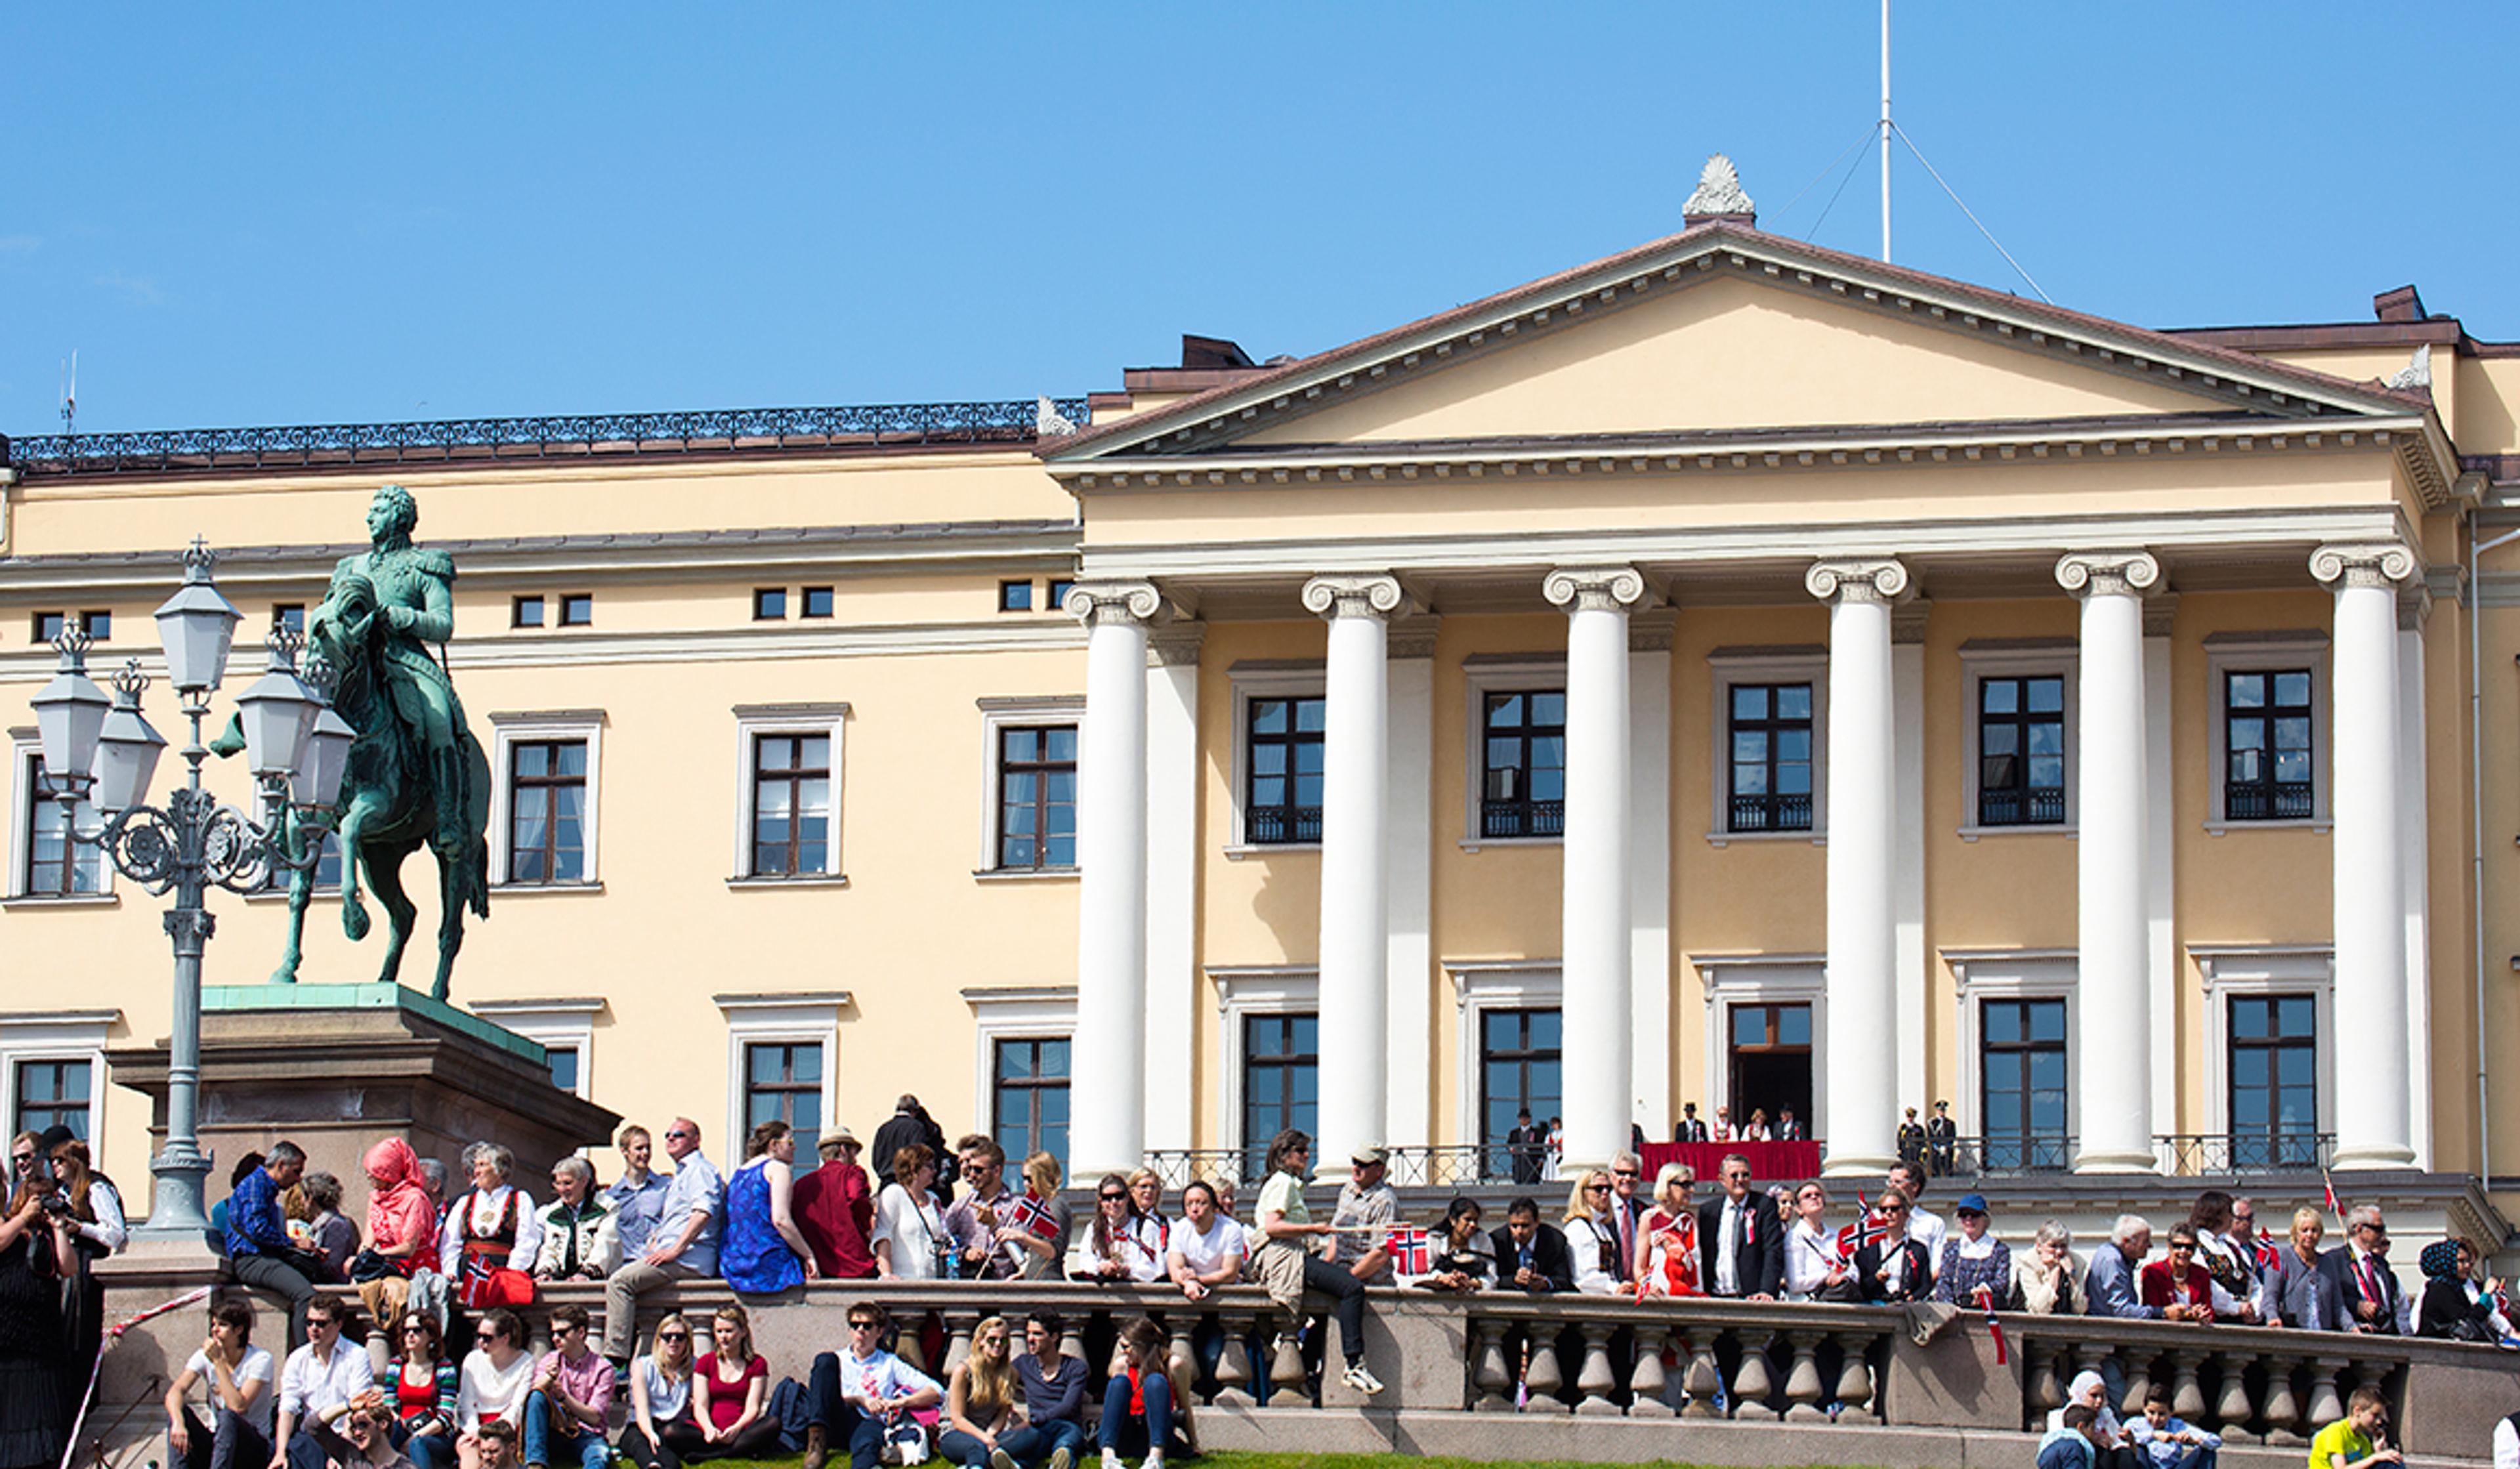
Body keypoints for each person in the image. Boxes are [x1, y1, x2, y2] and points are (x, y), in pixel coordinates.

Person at [1251, 1128, 1381, 1394]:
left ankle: (1310, 1365)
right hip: (1287, 1256)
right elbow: (1273, 1227)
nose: (1307, 1155)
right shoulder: (1283, 1183)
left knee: (1328, 1304)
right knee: (1352, 1288)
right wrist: (1314, 1230)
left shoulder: (1284, 1184)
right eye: (1301, 1151)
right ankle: (1354, 1363)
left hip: (1290, 1254)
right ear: (1284, 1155)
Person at [603, 1118, 725, 1365]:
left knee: (620, 1283)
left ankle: (615, 1359)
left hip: (687, 1259)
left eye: (678, 1135)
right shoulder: (683, 1173)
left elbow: (703, 1212)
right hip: (677, 1256)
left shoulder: (699, 1170)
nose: (670, 1139)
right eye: (668, 1135)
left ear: (695, 1140)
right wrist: (658, 1240)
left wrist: (675, 1249)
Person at [807, 1300, 942, 1469]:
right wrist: (861, 1400)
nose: (860, 1330)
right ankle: (816, 1444)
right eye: (855, 1325)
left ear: (879, 1332)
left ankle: (871, 1462)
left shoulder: (889, 1362)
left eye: (867, 1326)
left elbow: (937, 1391)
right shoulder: (837, 1360)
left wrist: (896, 1403)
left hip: (870, 1421)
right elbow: (820, 1398)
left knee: (867, 1440)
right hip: (837, 1418)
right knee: (824, 1360)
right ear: (850, 1330)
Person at [226, 1141, 325, 1351]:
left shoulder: (262, 1187)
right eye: (296, 1172)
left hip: (258, 1258)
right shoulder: (256, 1185)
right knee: (305, 1296)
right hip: (251, 1259)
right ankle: (306, 1357)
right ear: (281, 1165)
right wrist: (294, 1242)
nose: (298, 1179)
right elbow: (257, 1229)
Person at [165, 1298, 276, 1469]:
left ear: (239, 1330)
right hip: (219, 1442)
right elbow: (176, 1391)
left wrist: (218, 1362)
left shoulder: (260, 1360)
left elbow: (238, 1407)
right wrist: (178, 1423)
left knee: (228, 1416)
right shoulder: (204, 1356)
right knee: (178, 1412)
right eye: (213, 1324)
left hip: (253, 1446)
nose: (214, 1331)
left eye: (222, 1325)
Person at [274, 1294, 379, 1469]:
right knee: (293, 1453)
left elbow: (357, 1405)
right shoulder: (298, 1358)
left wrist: (340, 1452)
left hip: (345, 1434)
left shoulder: (356, 1355)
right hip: (311, 1437)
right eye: (309, 1323)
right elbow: (288, 1408)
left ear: (338, 1325)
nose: (314, 1329)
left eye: (321, 1324)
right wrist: (280, 1452)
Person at [356, 1139, 438, 1355]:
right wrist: (359, 1262)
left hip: (412, 1266)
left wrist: (377, 1255)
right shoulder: (376, 1199)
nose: (369, 1177)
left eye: (375, 1172)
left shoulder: (415, 1199)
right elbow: (368, 1241)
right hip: (383, 1264)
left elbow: (408, 1247)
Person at [721, 1120, 818, 1294]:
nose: (794, 1148)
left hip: (734, 1262)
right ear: (773, 1144)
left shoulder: (738, 1173)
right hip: (766, 1261)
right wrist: (808, 1255)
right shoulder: (777, 1169)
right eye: (790, 1142)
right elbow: (781, 1220)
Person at [938, 1315, 1043, 1469]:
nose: (998, 1344)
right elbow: (957, 1419)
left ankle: (988, 1462)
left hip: (990, 1433)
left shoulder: (1011, 1374)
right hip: (957, 1434)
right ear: (981, 1340)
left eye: (1004, 1340)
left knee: (1032, 1436)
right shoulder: (963, 1371)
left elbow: (1002, 1414)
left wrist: (990, 1436)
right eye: (992, 1339)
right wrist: (985, 1439)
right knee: (976, 1447)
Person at [438, 1144, 541, 1297]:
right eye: (476, 1166)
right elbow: (450, 1242)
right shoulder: (465, 1202)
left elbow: (527, 1241)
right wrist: (450, 1271)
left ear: (500, 1170)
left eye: (482, 1165)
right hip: (467, 1274)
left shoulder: (520, 1199)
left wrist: (510, 1272)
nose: (476, 1171)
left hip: (501, 1271)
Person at [521, 1303, 612, 1469]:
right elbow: (533, 1398)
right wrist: (548, 1379)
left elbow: (594, 1417)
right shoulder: (550, 1360)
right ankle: (535, 1464)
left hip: (587, 1434)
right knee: (537, 1397)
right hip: (555, 1431)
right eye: (553, 1333)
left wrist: (564, 1397)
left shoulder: (603, 1368)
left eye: (562, 1333)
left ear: (581, 1333)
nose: (555, 1338)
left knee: (598, 1458)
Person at [1098, 1318, 1193, 1469]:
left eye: (1125, 1347)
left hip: (1157, 1432)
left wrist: (1194, 1443)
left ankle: (1156, 1459)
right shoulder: (1122, 1365)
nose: (1122, 1352)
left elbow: (1185, 1406)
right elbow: (1113, 1408)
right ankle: (1108, 1457)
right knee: (1119, 1383)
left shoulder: (1173, 1365)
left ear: (1141, 1346)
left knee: (1155, 1381)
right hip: (1127, 1433)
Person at [688, 1305, 778, 1460]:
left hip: (742, 1429)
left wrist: (736, 1428)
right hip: (709, 1428)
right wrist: (709, 1429)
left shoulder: (757, 1364)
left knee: (772, 1424)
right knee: (672, 1432)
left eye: (729, 1331)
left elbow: (753, 1407)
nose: (723, 1337)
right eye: (719, 1331)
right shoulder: (705, 1362)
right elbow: (700, 1405)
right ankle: (737, 1450)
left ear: (743, 1332)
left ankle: (717, 1454)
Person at [453, 1308, 534, 1469]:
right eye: (479, 1336)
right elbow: (466, 1404)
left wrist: (498, 1432)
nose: (480, 1342)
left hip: (508, 1426)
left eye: (487, 1338)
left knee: (499, 1450)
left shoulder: (526, 1361)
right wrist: (476, 1431)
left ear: (505, 1338)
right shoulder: (472, 1359)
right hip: (477, 1424)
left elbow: (518, 1405)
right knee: (468, 1447)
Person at [791, 1128, 877, 1281]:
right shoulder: (852, 1174)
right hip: (853, 1265)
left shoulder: (801, 1185)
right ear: (843, 1150)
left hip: (817, 1268)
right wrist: (865, 1225)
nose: (856, 1159)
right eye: (854, 1153)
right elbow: (857, 1199)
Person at [616, 1313, 699, 1469]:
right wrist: (650, 1433)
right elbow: (642, 1410)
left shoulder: (695, 1367)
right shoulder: (644, 1366)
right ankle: (651, 1465)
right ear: (659, 1340)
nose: (673, 1341)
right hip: (642, 1423)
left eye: (680, 1337)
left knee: (665, 1443)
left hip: (673, 1427)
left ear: (687, 1341)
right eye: (667, 1336)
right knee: (640, 1442)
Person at [942, 1136, 1029, 1281]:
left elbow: (1021, 1252)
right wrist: (966, 1253)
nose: (972, 1175)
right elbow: (944, 1244)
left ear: (996, 1171)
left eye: (978, 1170)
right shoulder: (961, 1206)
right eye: (969, 1169)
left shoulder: (1016, 1206)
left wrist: (994, 1225)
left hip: (1004, 1286)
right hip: (969, 1288)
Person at [1698, 1153, 1781, 1300]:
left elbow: (1773, 1250)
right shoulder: (1708, 1211)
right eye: (1734, 1175)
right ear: (1722, 1180)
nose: (1740, 1180)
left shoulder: (1764, 1206)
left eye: (1745, 1175)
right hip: (1716, 1295)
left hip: (1753, 1297)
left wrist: (1766, 1290)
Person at [383, 1311, 458, 1469]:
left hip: (434, 1434)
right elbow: (389, 1405)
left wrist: (416, 1436)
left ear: (431, 1335)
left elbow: (446, 1415)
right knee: (389, 1430)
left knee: (418, 1444)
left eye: (417, 1330)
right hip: (402, 1427)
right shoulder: (396, 1365)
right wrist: (398, 1421)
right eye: (406, 1331)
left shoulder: (444, 1367)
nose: (410, 1335)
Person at [2319, 1205, 2409, 1335]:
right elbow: (2327, 1298)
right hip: (2355, 1336)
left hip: (2385, 1336)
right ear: (2359, 1228)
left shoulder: (2381, 1264)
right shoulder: (2334, 1260)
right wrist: (2356, 1306)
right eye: (2378, 1229)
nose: (2382, 1235)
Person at [1015, 1313, 1087, 1469]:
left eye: (1037, 1334)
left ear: (1054, 1337)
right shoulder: (1023, 1363)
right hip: (1038, 1431)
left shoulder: (1075, 1367)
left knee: (1067, 1440)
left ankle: (1061, 1460)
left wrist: (1035, 1419)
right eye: (1028, 1333)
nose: (1030, 1339)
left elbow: (1068, 1407)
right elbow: (998, 1379)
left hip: (1065, 1426)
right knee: (1031, 1444)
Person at [532, 1158, 618, 1286]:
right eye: (558, 1184)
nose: (562, 1189)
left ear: (584, 1181)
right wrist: (545, 1272)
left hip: (599, 1282)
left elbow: (606, 1242)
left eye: (568, 1183)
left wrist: (588, 1272)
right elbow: (549, 1247)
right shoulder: (553, 1212)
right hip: (561, 1281)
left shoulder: (607, 1207)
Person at [875, 1144, 954, 1281]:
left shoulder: (934, 1199)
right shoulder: (894, 1193)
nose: (935, 1171)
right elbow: (883, 1235)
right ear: (914, 1169)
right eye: (929, 1166)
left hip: (932, 1281)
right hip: (903, 1279)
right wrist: (887, 1274)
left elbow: (941, 1234)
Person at [1068, 1172, 1163, 1283]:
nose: (1114, 1202)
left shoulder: (1145, 1226)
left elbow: (1153, 1268)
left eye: (1119, 1197)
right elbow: (1085, 1260)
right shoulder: (1094, 1228)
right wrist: (1101, 1267)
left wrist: (1128, 1270)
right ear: (1101, 1202)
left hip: (1136, 1292)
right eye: (1107, 1198)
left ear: (1127, 1197)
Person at [2416, 1237, 2514, 1341]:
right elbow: (2467, 1320)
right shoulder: (2439, 1289)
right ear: (2447, 1262)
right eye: (2461, 1261)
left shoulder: (2456, 1287)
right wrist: (2485, 1296)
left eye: (2468, 1262)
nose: (2467, 1266)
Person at [1328, 1145, 1398, 1285]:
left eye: (1363, 1165)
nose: (1356, 1168)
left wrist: (1348, 1280)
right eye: (1355, 1162)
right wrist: (1325, 1268)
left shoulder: (1385, 1201)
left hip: (1370, 1286)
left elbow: (1381, 1253)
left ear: (1380, 1170)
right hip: (1341, 1278)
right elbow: (1336, 1234)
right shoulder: (1347, 1190)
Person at [603, 1126, 672, 1266]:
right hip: (625, 1264)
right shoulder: (612, 1196)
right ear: (624, 1151)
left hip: (657, 1261)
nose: (645, 1153)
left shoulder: (666, 1187)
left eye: (648, 1148)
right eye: (639, 1148)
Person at [2189, 1191, 2261, 1324]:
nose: (2232, 1218)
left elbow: (2254, 1282)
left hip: (2244, 1320)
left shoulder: (2231, 1247)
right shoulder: (2197, 1246)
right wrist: (2236, 1307)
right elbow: (2208, 1286)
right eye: (2229, 1213)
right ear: (2218, 1215)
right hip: (2219, 1321)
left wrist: (2254, 1308)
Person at [869, 1096, 953, 1208]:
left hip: (885, 1184)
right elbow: (919, 1157)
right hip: (906, 1185)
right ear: (914, 1111)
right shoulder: (916, 1127)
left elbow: (875, 1160)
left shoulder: (883, 1129)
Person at [1168, 1180, 1246, 1301]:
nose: (1194, 1209)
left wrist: (1197, 1279)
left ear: (1213, 1206)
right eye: (1189, 1204)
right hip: (1190, 1289)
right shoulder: (1179, 1229)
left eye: (1201, 1203)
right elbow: (1175, 1269)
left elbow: (1230, 1273)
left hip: (1225, 1292)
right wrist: (1188, 1283)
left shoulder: (1232, 1229)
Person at [2269, 1208, 2343, 1331]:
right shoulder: (2282, 1257)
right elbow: (2271, 1295)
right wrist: (2273, 1318)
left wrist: (2351, 1327)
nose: (2309, 1235)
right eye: (2305, 1230)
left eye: (2314, 1230)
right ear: (2296, 1233)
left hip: (2322, 1336)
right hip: (2292, 1335)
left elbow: (2338, 1305)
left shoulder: (2328, 1263)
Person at [1637, 1163, 1703, 1298]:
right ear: (1668, 1185)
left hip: (1684, 1294)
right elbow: (1639, 1267)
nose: (1691, 1190)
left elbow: (1695, 1264)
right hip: (1656, 1296)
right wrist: (1648, 1286)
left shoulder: (1689, 1221)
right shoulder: (1650, 1218)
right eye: (1685, 1185)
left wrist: (1675, 1248)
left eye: (1692, 1184)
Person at [1855, 1189, 1933, 1304]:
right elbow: (1859, 1285)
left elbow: (1926, 1285)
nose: (1889, 1213)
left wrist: (1913, 1297)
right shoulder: (1867, 1248)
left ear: (1905, 1213)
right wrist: (1876, 1279)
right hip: (1874, 1308)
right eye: (1884, 1210)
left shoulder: (1918, 1249)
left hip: (1906, 1309)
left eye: (1894, 1209)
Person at [1936, 1193, 2013, 1308]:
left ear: (1985, 1218)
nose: (1969, 1220)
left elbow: (2002, 1283)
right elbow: (1944, 1283)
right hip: (1955, 1314)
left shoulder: (1999, 1250)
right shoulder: (1951, 1249)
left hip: (1987, 1313)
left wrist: (1984, 1289)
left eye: (1974, 1215)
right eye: (1964, 1215)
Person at [1003, 1153, 1071, 1281]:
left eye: (1030, 1179)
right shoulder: (1043, 1205)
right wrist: (1026, 1273)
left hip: (1050, 1285)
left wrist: (1022, 1237)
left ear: (1044, 1177)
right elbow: (1039, 1256)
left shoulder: (1056, 1205)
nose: (1025, 1184)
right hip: (1036, 1280)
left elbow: (1052, 1252)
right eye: (1023, 1178)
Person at [1492, 1195, 1576, 1294]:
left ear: (1537, 1223)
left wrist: (1545, 1283)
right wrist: (1515, 1280)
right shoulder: (1498, 1241)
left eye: (1525, 1226)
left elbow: (1564, 1279)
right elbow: (1493, 1279)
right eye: (1514, 1226)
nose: (1519, 1231)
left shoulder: (1555, 1240)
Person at [2142, 1224, 2227, 1323]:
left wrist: (2203, 1315)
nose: (2183, 1251)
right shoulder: (2153, 1273)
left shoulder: (2202, 1274)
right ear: (2169, 1246)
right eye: (2178, 1246)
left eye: (2189, 1247)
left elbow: (2209, 1311)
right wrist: (2188, 1313)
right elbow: (2153, 1312)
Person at [1559, 1167, 1623, 1295]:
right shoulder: (1578, 1227)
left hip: (1608, 1296)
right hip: (1589, 1298)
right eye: (1598, 1189)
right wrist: (1613, 1287)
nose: (1605, 1193)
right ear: (1583, 1193)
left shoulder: (1602, 1227)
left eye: (1608, 1189)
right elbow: (1583, 1276)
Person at [2087, 1214, 2164, 1321]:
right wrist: (2162, 1313)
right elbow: (2121, 1310)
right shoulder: (2113, 1261)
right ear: (2126, 1241)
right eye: (2145, 1241)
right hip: (2108, 1330)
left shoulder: (2113, 1255)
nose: (2150, 1246)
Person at [2128, 1383, 2221, 1469]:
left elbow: (2216, 1440)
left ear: (2171, 1413)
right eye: (2151, 1413)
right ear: (2144, 1409)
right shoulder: (2135, 1424)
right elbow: (2121, 1438)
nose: (2156, 1419)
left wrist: (2194, 1440)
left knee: (2207, 1450)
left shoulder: (2177, 1425)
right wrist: (2153, 1435)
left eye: (2162, 1414)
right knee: (2136, 1448)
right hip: (2146, 1466)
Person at [2307, 1386, 2402, 1469]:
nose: (2378, 1422)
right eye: (2375, 1415)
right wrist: (2375, 1457)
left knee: (2393, 1462)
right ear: (2357, 1411)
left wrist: (2377, 1451)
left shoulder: (2363, 1441)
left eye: (2380, 1417)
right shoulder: (2335, 1432)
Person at [1782, 1180, 1846, 1301]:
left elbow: (1853, 1270)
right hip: (1808, 1305)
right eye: (1808, 1196)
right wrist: (1828, 1276)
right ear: (1799, 1209)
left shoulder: (1837, 1236)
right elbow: (1795, 1282)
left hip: (1839, 1299)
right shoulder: (1794, 1237)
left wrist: (1843, 1276)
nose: (1814, 1198)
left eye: (1818, 1195)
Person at [293, 1171, 360, 1285]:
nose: (301, 1202)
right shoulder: (319, 1225)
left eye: (303, 1197)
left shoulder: (336, 1225)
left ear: (310, 1199)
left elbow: (333, 1267)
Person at [1418, 1198, 1496, 1292]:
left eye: (1475, 1220)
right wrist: (1442, 1278)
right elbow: (1422, 1274)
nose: (1472, 1225)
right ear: (1453, 1220)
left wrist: (1472, 1283)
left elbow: (1492, 1278)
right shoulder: (1434, 1240)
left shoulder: (1483, 1240)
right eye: (1467, 1220)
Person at [1889, 1162, 1947, 1280]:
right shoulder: (1876, 1218)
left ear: (1915, 1186)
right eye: (1890, 1182)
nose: (1892, 1187)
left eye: (1898, 1182)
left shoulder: (1932, 1223)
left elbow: (1937, 1266)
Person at [2015, 1220, 2084, 1315]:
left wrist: (2072, 1276)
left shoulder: (2077, 1263)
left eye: (2063, 1246)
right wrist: (2054, 1271)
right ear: (2039, 1246)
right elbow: (2039, 1309)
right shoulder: (2028, 1263)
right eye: (2053, 1246)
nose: (2059, 1252)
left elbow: (2081, 1308)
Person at [1604, 1151, 1648, 1287]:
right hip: (1610, 1289)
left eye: (1633, 1174)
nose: (1628, 1178)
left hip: (1638, 1289)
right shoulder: (1601, 1209)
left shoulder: (1644, 1211)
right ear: (1611, 1176)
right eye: (1621, 1173)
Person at [338, 1401, 419, 1469]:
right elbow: (324, 1427)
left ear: (383, 1424)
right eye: (354, 1428)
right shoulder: (352, 1457)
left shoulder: (407, 1467)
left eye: (363, 1425)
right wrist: (348, 1406)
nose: (357, 1433)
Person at [2041, 1403, 2106, 1469]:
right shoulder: (2075, 1447)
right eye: (2092, 1428)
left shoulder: (2051, 1443)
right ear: (2081, 1427)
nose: (2094, 1432)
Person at [1506, 1109, 1544, 1185]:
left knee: (1532, 1183)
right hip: (1518, 1164)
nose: (1523, 1120)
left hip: (1532, 1163)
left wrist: (1541, 1159)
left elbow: (1541, 1147)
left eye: (1525, 1118)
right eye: (1521, 1118)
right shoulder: (1514, 1133)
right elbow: (1509, 1145)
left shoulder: (1536, 1132)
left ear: (1529, 1119)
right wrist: (1511, 1149)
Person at [1926, 1100, 1958, 1177]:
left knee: (1948, 1167)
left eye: (1943, 1110)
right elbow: (1931, 1136)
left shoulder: (1950, 1123)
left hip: (1947, 1148)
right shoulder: (1932, 1123)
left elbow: (1953, 1136)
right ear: (1937, 1111)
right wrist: (1937, 1146)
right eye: (1940, 1110)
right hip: (1936, 1148)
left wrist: (1947, 1146)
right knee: (1936, 1167)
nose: (1942, 1112)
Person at [1896, 1107, 1927, 1172]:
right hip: (1906, 1150)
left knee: (1915, 1167)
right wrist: (1899, 1149)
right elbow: (1899, 1139)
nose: (1910, 1118)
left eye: (1912, 1116)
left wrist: (1923, 1149)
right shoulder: (1903, 1127)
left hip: (1915, 1150)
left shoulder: (1919, 1128)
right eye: (1909, 1116)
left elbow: (1922, 1140)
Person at [1541, 1117, 1565, 1182]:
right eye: (1553, 1124)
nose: (1555, 1126)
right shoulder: (1550, 1135)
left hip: (1559, 1155)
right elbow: (1546, 1146)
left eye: (1556, 1123)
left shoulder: (1564, 1134)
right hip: (1551, 1156)